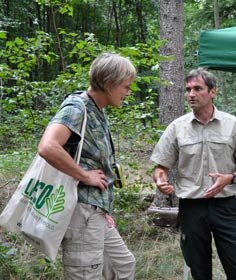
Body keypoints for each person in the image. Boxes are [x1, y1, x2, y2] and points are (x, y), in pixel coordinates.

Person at [150, 68, 236, 280]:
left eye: (198, 88)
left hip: (225, 206)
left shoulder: (233, 125)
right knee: (200, 272)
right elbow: (160, 167)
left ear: (212, 92)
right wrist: (160, 179)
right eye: (188, 89)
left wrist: (230, 178)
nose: (191, 94)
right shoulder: (177, 128)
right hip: (191, 208)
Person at [38, 53, 136, 279]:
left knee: (123, 265)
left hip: (95, 211)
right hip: (81, 211)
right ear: (109, 83)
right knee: (86, 274)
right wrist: (85, 176)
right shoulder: (77, 107)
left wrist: (103, 208)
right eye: (126, 86)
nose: (128, 92)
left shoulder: (97, 110)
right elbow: (48, 146)